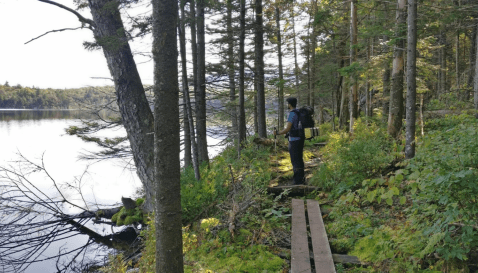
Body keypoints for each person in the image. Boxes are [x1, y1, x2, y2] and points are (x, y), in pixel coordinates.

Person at [273, 97, 305, 185]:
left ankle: (297, 181)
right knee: (299, 158)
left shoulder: (291, 114)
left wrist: (277, 133)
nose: (287, 105)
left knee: (295, 160)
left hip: (294, 140)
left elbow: (287, 129)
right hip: (301, 139)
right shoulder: (299, 112)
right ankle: (301, 178)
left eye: (288, 103)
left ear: (290, 104)